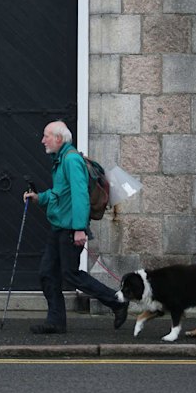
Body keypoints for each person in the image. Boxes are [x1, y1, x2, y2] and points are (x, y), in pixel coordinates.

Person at [24, 120, 129, 334]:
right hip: (58, 227)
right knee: (47, 273)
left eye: (46, 136)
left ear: (59, 139)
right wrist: (39, 198)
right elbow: (60, 194)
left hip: (71, 228)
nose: (42, 140)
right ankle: (55, 321)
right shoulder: (61, 160)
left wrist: (80, 229)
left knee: (70, 274)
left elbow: (80, 196)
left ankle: (117, 302)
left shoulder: (71, 160)